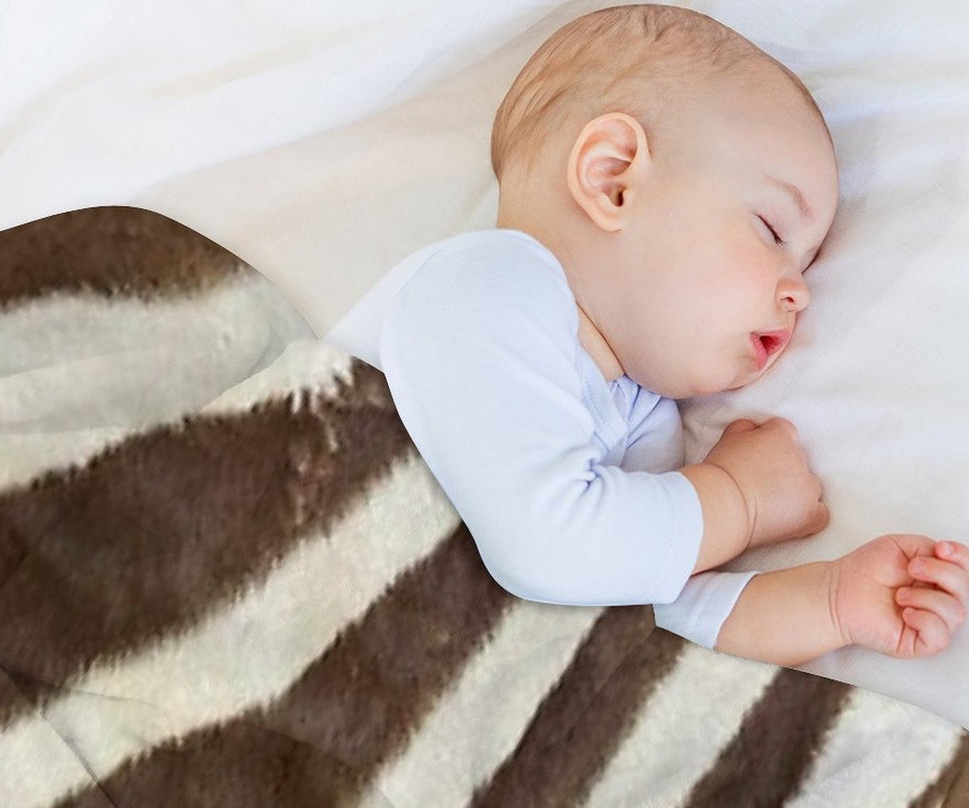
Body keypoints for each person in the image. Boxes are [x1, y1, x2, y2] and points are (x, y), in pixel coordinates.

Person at [324, 3, 968, 667]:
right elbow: (547, 546)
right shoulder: (483, 284)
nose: (799, 290)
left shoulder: (638, 413)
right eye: (773, 231)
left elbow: (649, 606)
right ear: (614, 180)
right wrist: (737, 500)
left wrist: (834, 602)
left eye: (804, 263)